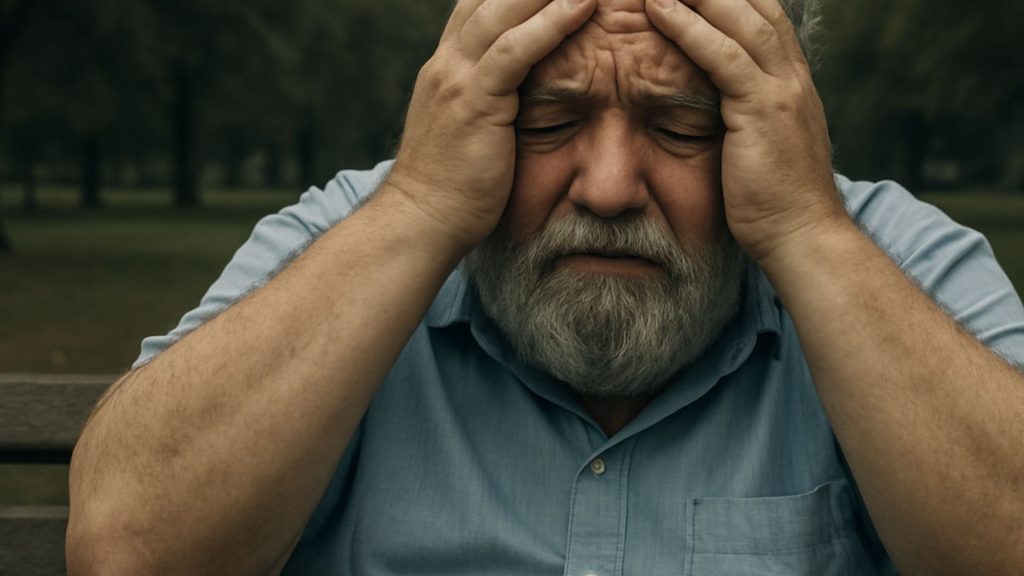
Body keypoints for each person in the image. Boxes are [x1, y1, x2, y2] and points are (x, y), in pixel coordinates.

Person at [67, 0, 1024, 574]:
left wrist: (807, 232)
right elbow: (127, 549)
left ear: (777, 123)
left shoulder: (884, 254)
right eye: (547, 121)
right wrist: (422, 208)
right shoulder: (365, 229)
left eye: (683, 128)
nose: (608, 188)